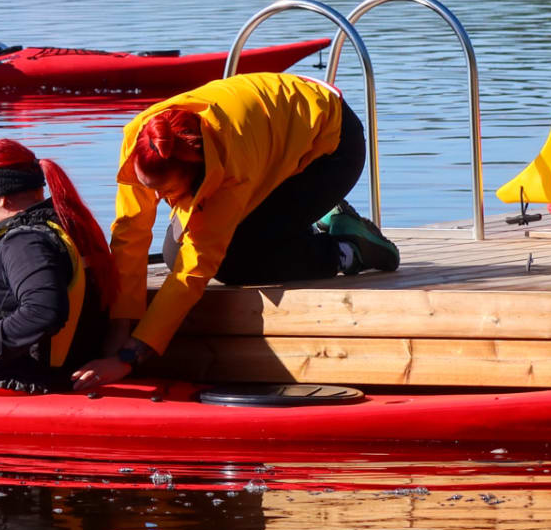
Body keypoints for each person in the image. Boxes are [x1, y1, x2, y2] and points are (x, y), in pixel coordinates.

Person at [71, 70, 397, 390]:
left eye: (168, 193)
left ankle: (349, 247)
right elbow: (130, 232)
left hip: (329, 149)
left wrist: (130, 356)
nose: (159, 200)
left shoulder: (232, 170)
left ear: (200, 173)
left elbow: (193, 273)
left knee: (237, 263)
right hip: (275, 132)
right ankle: (315, 219)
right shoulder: (143, 140)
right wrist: (120, 323)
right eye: (152, 189)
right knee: (172, 254)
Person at [0, 139, 113, 391]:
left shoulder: (26, 243)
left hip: (23, 382)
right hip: (45, 371)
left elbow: (43, 311)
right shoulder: (66, 225)